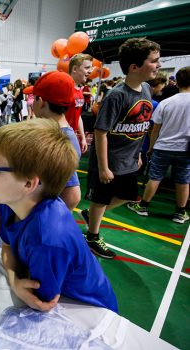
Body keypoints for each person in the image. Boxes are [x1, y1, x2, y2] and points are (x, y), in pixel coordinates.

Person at [0, 119, 118, 312]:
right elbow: (7, 247)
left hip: (88, 311)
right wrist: (14, 279)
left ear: (28, 184)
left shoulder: (47, 238)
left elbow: (41, 301)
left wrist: (14, 278)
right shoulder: (10, 202)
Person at [81, 38, 161, 259]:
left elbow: (141, 125)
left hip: (129, 159)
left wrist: (137, 153)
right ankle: (92, 236)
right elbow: (101, 132)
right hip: (111, 160)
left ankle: (93, 215)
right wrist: (104, 167)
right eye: (154, 61)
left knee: (128, 195)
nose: (158, 65)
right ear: (134, 67)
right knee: (101, 199)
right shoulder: (117, 95)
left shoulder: (146, 89)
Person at [127, 66, 190, 224]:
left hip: (163, 146)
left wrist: (150, 148)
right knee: (183, 180)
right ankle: (180, 212)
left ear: (176, 83)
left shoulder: (166, 103)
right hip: (185, 148)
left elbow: (154, 129)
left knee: (155, 177)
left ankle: (143, 206)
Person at [32, 71, 82, 210]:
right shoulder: (58, 133)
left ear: (40, 102)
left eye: (33, 98)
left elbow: (72, 195)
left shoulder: (60, 140)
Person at [67, 53, 93, 154]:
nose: (90, 71)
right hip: (59, 138)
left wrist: (82, 137)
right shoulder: (64, 89)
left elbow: (78, 116)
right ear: (74, 69)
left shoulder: (79, 91)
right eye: (87, 67)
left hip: (71, 136)